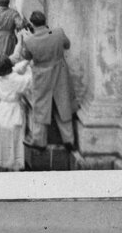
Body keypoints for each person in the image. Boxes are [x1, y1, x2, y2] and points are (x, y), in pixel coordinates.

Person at [18, 11, 78, 155]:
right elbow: (67, 45)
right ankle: (69, 140)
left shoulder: (30, 40)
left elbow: (26, 56)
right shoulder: (57, 33)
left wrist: (24, 40)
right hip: (59, 71)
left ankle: (39, 141)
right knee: (63, 105)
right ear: (45, 21)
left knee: (40, 107)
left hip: (41, 75)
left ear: (32, 24)